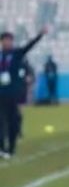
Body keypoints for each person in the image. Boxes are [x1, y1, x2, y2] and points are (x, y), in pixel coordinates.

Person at [0, 28, 46, 159]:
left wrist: (40, 35)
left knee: (13, 121)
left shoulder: (16, 54)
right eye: (5, 40)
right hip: (1, 93)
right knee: (0, 122)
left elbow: (28, 46)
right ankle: (2, 147)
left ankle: (11, 148)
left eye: (10, 40)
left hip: (12, 93)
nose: (8, 43)